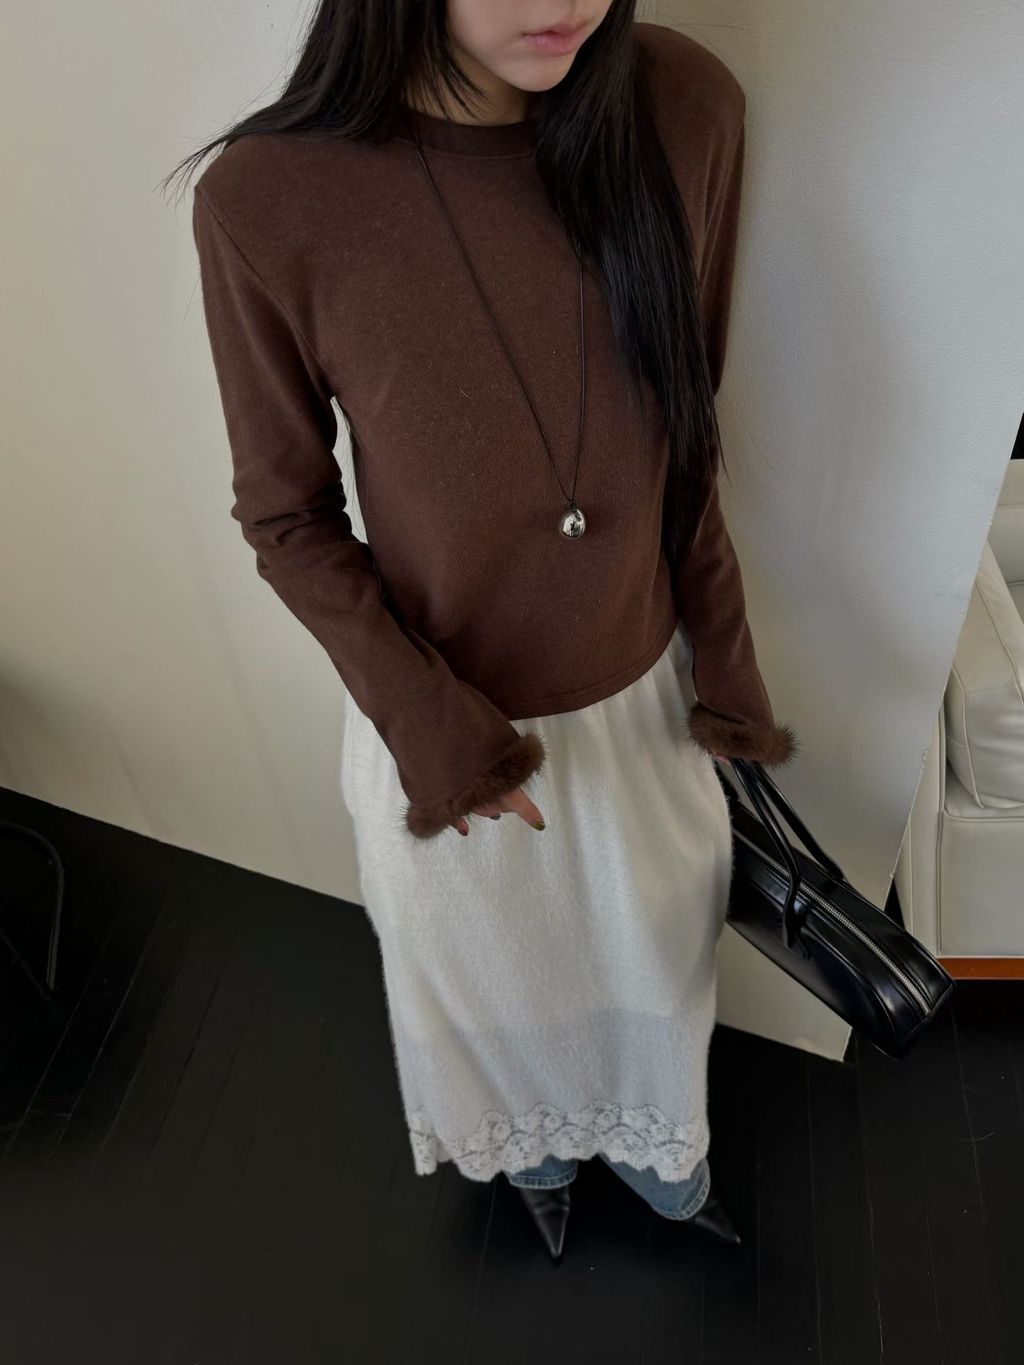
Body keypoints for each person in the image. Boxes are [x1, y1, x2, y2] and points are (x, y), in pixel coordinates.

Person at [171, 0, 798, 1267]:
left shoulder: (686, 110)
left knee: (656, 960)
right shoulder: (269, 197)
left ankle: (660, 1158)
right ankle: (533, 1159)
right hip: (444, 715)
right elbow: (286, 515)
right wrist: (437, 733)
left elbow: (687, 431)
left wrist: (727, 674)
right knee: (489, 975)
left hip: (641, 700)